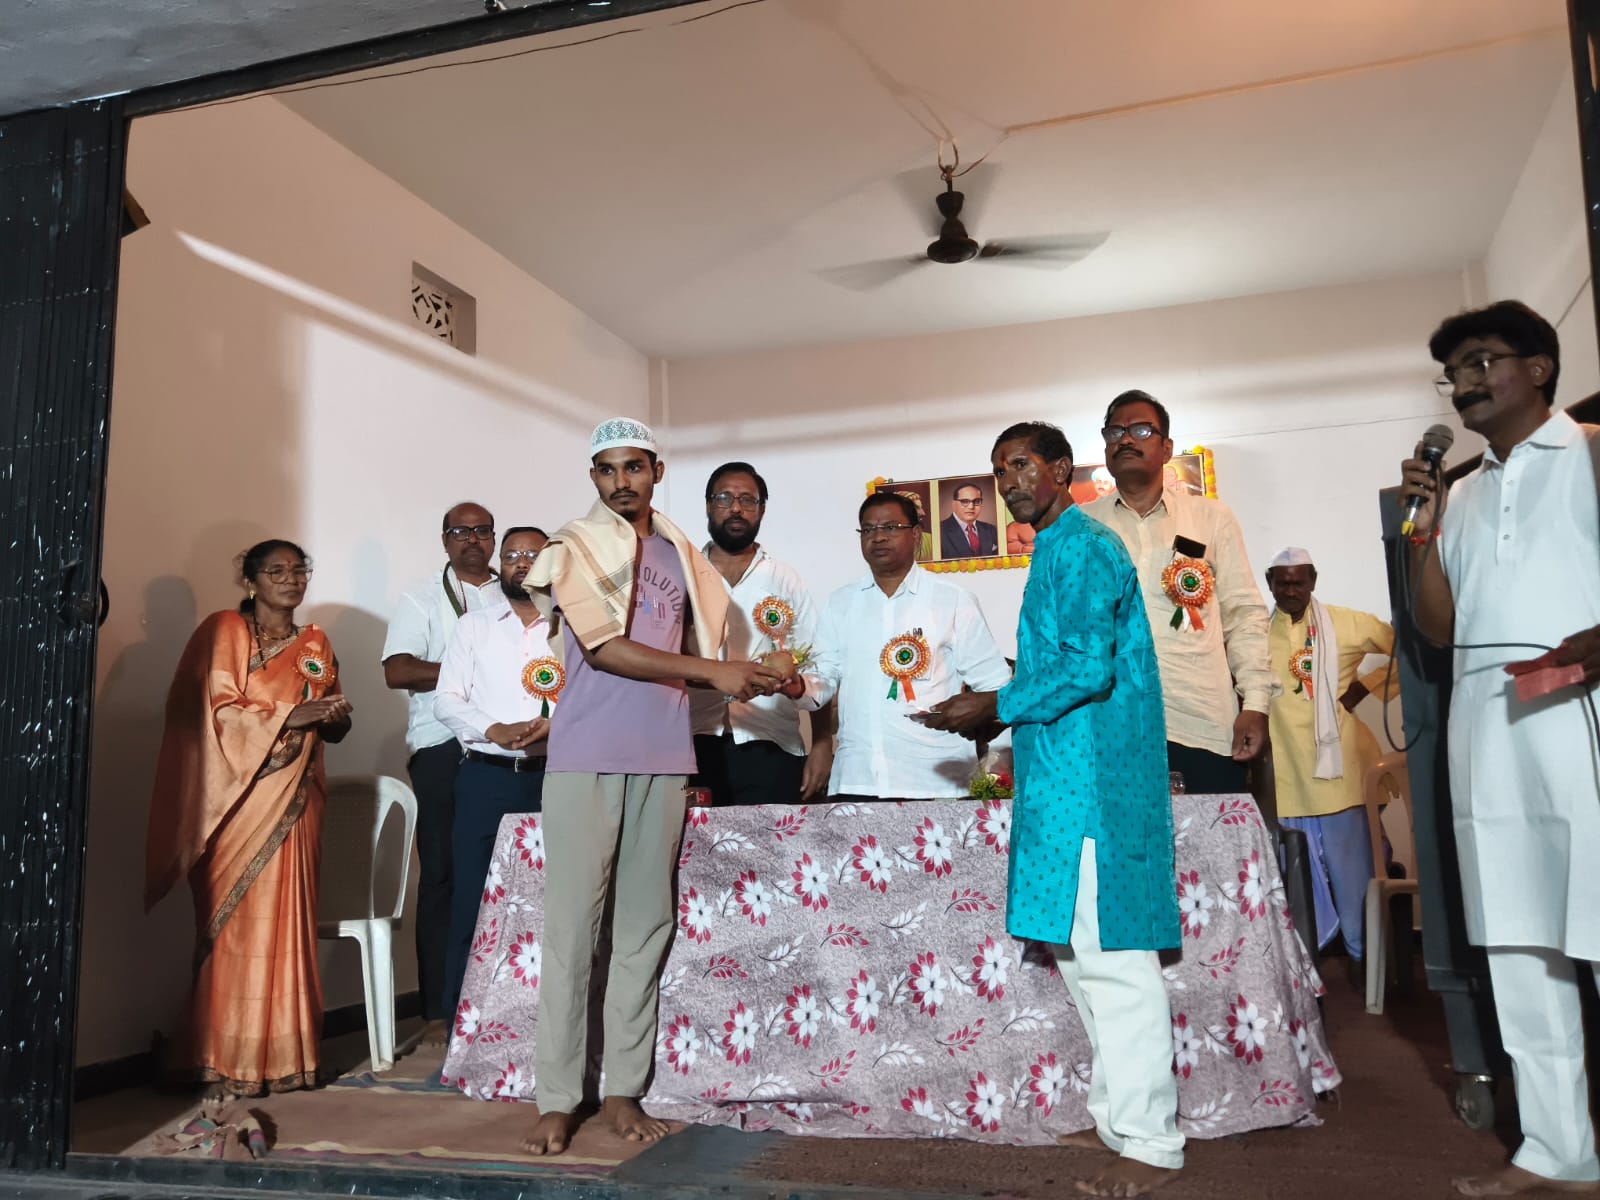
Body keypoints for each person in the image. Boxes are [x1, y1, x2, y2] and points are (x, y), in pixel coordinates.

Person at [924, 422, 1182, 1197]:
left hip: (1097, 780)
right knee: (1078, 956)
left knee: (1115, 962)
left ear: (1061, 469)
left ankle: (1151, 1142)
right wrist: (990, 707)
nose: (1009, 483)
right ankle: (1117, 1120)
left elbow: (1089, 668)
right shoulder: (1055, 548)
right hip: (1061, 776)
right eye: (999, 471)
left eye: (1021, 466)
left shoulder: (1084, 545)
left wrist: (994, 705)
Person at [521, 418, 783, 1155]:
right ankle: (556, 1097)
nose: (620, 483)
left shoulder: (681, 554)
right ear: (593, 478)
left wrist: (757, 674)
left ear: (656, 472)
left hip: (666, 754)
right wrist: (715, 672)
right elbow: (606, 651)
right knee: (573, 931)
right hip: (585, 755)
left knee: (644, 926)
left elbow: (694, 654)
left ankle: (621, 1091)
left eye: (633, 467)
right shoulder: (573, 548)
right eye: (606, 470)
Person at [1400, 300, 1600, 1197]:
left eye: (1482, 362)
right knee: (1518, 940)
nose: (1465, 384)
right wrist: (1422, 524)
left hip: (1580, 711)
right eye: (1454, 374)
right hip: (1485, 726)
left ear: (1541, 368)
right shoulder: (1463, 494)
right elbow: (1439, 630)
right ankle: (1559, 1152)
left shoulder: (1591, 452)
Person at [144, 539, 353, 1096]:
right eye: (276, 571)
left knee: (290, 922)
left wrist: (332, 716)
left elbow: (331, 723)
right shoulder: (223, 631)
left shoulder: (315, 643)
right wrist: (291, 714)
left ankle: (289, 1056)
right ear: (250, 581)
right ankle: (219, 1055)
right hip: (233, 805)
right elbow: (211, 711)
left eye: (299, 570)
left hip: (296, 802)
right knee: (234, 925)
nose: (291, 579)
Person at [1083, 390, 1278, 793]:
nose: (1126, 439)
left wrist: (1256, 703)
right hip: (1108, 729)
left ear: (1167, 448)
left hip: (1201, 725)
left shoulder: (1211, 518)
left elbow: (1244, 615)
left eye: (1141, 430)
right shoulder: (1081, 528)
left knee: (1210, 835)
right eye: (1115, 431)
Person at [380, 501, 504, 1044]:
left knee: (504, 873)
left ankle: (499, 1003)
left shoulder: (515, 595)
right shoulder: (423, 598)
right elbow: (397, 670)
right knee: (442, 875)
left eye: (482, 531)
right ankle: (437, 1009)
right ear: (445, 540)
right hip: (442, 747)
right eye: (460, 531)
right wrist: (469, 671)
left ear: (494, 538)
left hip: (505, 748)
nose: (472, 540)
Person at [796, 491, 1012, 800]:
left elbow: (995, 685)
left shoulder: (952, 600)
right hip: (857, 781)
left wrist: (998, 773)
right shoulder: (840, 603)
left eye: (890, 527)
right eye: (868, 529)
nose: (878, 537)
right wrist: (796, 686)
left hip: (937, 782)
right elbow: (822, 681)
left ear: (916, 535)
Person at [434, 526, 553, 1017]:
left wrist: (557, 727)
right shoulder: (474, 626)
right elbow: (446, 700)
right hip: (487, 778)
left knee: (552, 902)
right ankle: (460, 1022)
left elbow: (593, 699)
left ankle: (536, 1022)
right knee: (474, 899)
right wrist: (494, 728)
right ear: (499, 565)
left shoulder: (572, 629)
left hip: (557, 777)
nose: (521, 563)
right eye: (511, 555)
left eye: (533, 555)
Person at [1263, 546, 1395, 985]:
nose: (1291, 590)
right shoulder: (1254, 633)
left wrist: (1366, 687)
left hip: (1339, 780)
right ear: (1269, 583)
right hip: (1286, 780)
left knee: (1355, 880)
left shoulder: (1347, 623)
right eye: (1282, 583)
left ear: (1313, 580)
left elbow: (1405, 648)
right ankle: (1304, 974)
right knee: (1296, 886)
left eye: (1299, 582)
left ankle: (1367, 965)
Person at [689, 461, 833, 804]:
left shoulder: (784, 579)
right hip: (690, 744)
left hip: (771, 745)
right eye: (724, 498)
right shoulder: (684, 573)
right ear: (708, 506)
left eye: (748, 500)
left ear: (762, 510)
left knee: (774, 840)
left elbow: (819, 665)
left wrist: (822, 743)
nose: (736, 508)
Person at [939, 482, 1000, 557]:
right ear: (954, 505)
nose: (971, 507)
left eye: (977, 501)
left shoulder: (991, 529)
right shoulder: (940, 531)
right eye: (965, 501)